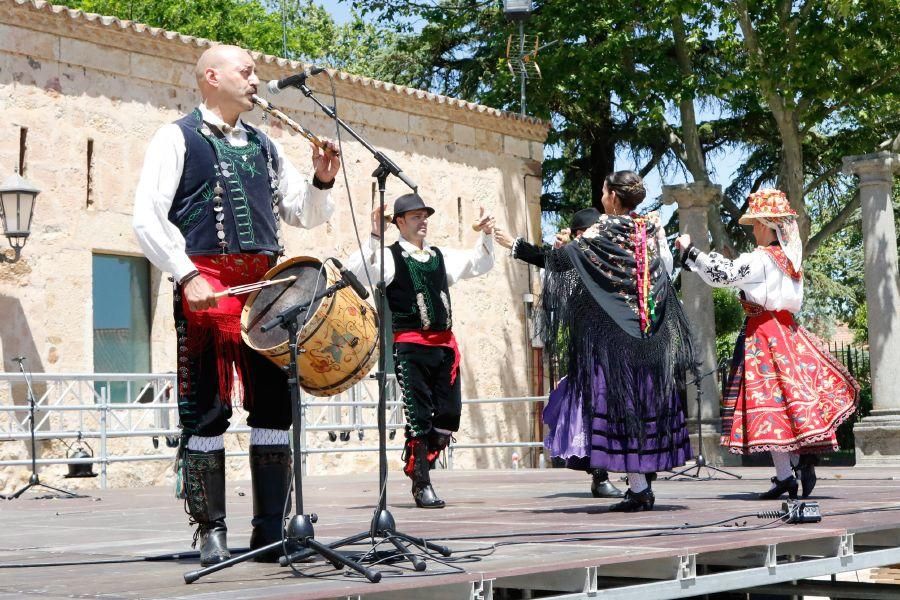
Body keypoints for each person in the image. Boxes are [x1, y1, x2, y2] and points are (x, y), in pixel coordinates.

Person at [132, 45, 340, 566]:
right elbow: (146, 218)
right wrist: (186, 274)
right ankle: (210, 530)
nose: (255, 81)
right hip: (208, 292)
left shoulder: (266, 146)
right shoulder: (175, 137)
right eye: (246, 72)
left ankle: (270, 530)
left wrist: (321, 178)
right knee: (207, 411)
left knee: (274, 409)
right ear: (211, 77)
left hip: (269, 296)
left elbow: (303, 213)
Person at [675, 188, 859, 500]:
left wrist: (691, 252)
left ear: (766, 226)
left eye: (756, 225)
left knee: (771, 404)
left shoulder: (760, 259)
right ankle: (793, 467)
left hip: (763, 334)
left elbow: (724, 275)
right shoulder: (789, 259)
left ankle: (791, 470)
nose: (754, 230)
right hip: (788, 331)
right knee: (789, 402)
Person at [541, 171, 696, 512]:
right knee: (645, 406)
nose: (601, 195)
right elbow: (663, 270)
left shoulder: (603, 228)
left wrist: (514, 245)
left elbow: (562, 261)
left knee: (620, 409)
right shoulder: (651, 226)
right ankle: (640, 486)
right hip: (650, 332)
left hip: (616, 339)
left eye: (603, 189)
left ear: (612, 196)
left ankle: (639, 489)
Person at [347, 194, 495, 508]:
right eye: (415, 217)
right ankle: (422, 484)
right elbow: (358, 275)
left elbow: (478, 263)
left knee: (449, 416)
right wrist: (374, 234)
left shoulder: (440, 256)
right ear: (399, 222)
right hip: (411, 346)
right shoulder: (388, 257)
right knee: (419, 417)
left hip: (444, 347)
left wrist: (485, 233)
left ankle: (418, 463)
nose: (422, 221)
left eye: (424, 215)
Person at [494, 208, 624, 499]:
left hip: (616, 347)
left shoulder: (612, 259)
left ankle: (631, 471)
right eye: (582, 235)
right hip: (589, 349)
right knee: (592, 408)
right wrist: (519, 245)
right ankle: (600, 474)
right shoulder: (573, 261)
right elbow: (550, 272)